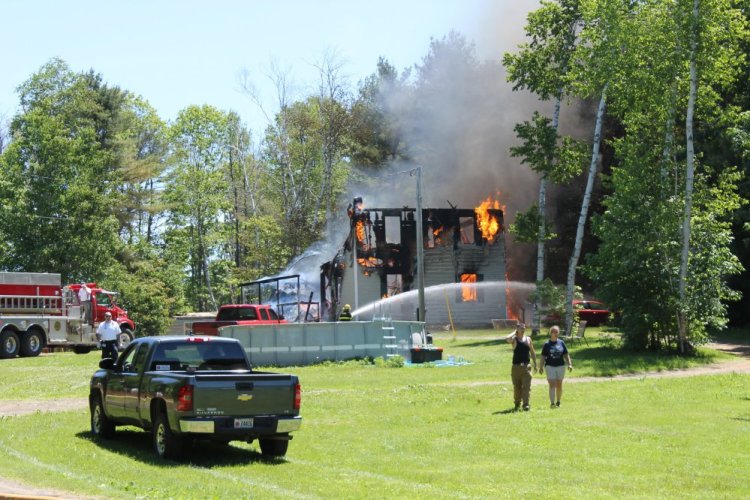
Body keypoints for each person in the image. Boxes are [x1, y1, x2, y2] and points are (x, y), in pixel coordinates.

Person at [539, 325, 573, 408]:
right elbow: (543, 356)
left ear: (558, 333)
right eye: (553, 331)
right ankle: (552, 403)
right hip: (550, 366)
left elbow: (566, 354)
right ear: (550, 333)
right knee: (552, 384)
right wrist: (540, 367)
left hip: (561, 366)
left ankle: (558, 402)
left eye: (556, 331)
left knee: (559, 384)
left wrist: (569, 364)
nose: (555, 333)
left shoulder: (561, 342)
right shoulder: (547, 344)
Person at [505, 323, 537, 411]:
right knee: (517, 388)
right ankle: (517, 403)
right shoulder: (514, 340)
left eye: (524, 328)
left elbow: (532, 352)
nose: (523, 330)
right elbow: (507, 339)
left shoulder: (528, 339)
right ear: (517, 329)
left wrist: (535, 363)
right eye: (520, 328)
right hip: (516, 367)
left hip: (527, 367)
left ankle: (526, 404)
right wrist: (514, 333)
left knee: (526, 387)